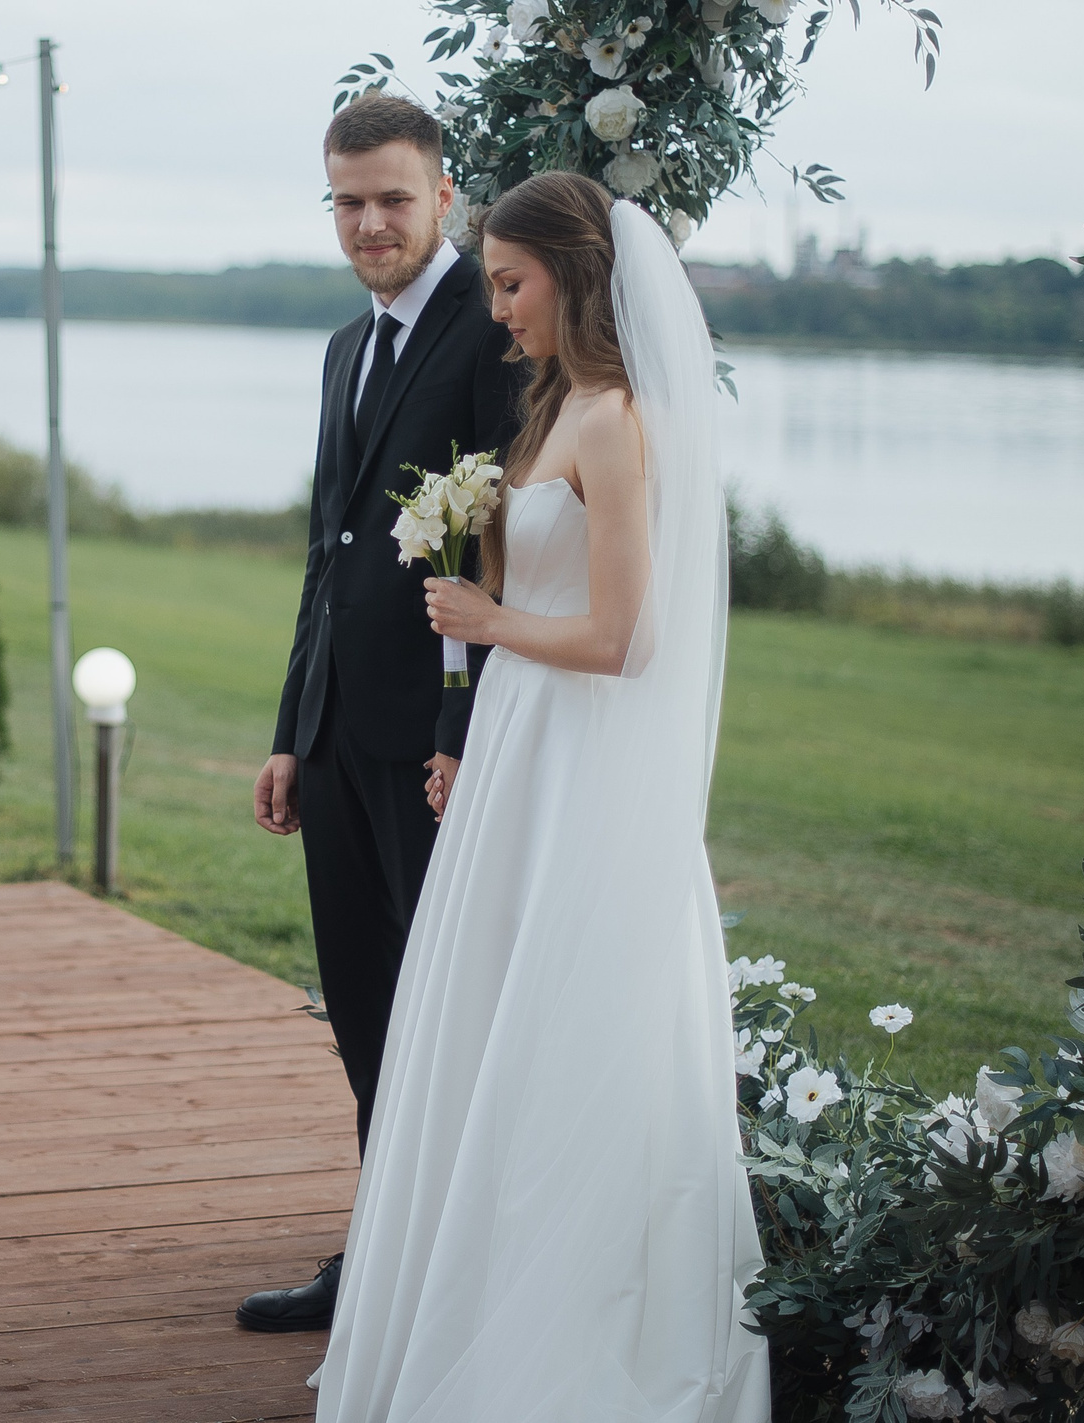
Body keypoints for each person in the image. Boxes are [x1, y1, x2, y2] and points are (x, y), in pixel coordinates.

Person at [309, 173, 767, 1420]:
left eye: (512, 283)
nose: (498, 306)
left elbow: (624, 637)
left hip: (578, 761)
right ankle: (472, 1287)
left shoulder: (614, 420)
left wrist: (485, 618)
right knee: (487, 1017)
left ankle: (560, 1329)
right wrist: (473, 716)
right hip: (517, 746)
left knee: (563, 1021)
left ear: (575, 274)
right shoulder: (551, 405)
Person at [238, 93, 519, 1334]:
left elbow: (509, 554)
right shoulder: (343, 349)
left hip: (440, 747)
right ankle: (383, 1253)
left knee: (444, 1007)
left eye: (392, 199)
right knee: (363, 1003)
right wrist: (292, 729)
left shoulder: (494, 333)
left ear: (444, 196)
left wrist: (467, 735)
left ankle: (454, 1271)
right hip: (342, 738)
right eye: (346, 202)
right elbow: (329, 552)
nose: (368, 224)